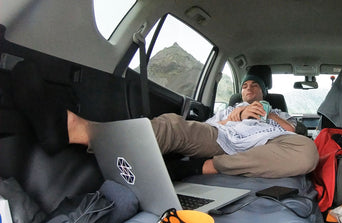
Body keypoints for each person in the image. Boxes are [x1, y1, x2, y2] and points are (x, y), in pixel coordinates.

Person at [11, 61, 318, 179]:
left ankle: (195, 168)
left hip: (270, 144)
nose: (249, 88)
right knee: (173, 124)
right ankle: (75, 129)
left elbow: (301, 135)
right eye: (245, 85)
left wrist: (272, 117)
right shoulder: (228, 111)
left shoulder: (279, 113)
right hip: (226, 139)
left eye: (255, 86)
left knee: (308, 154)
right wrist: (232, 117)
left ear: (265, 91)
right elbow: (204, 131)